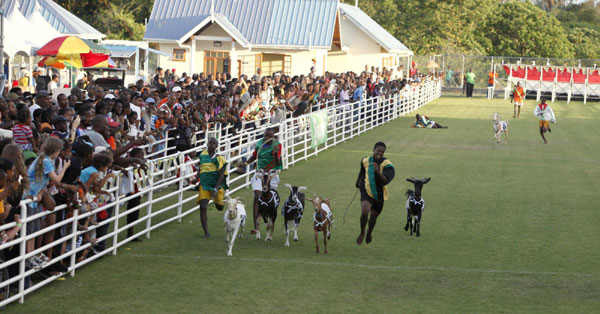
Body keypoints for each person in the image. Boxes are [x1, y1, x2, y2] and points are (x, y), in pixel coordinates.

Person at [239, 128, 282, 234]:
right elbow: (254, 156)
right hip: (260, 173)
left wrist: (276, 154)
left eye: (269, 136)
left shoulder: (277, 145)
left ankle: (270, 222)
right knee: (257, 196)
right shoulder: (259, 144)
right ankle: (256, 228)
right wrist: (245, 164)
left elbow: (277, 162)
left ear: (273, 136)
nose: (267, 138)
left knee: (269, 200)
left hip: (272, 174)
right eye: (266, 135)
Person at [355, 142, 395, 245]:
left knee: (373, 218)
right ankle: (362, 231)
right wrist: (357, 182)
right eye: (378, 150)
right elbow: (362, 171)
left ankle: (369, 232)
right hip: (366, 190)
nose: (380, 153)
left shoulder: (387, 165)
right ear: (373, 149)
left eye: (382, 152)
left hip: (379, 194)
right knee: (365, 211)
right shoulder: (365, 160)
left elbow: (385, 181)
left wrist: (377, 171)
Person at [196, 137, 228, 238]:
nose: (212, 144)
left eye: (214, 143)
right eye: (211, 142)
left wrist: (215, 188)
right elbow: (201, 167)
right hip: (204, 185)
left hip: (216, 186)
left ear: (217, 146)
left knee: (220, 207)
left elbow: (222, 174)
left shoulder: (219, 158)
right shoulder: (202, 155)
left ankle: (218, 201)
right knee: (203, 206)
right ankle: (206, 233)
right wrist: (196, 178)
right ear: (207, 144)